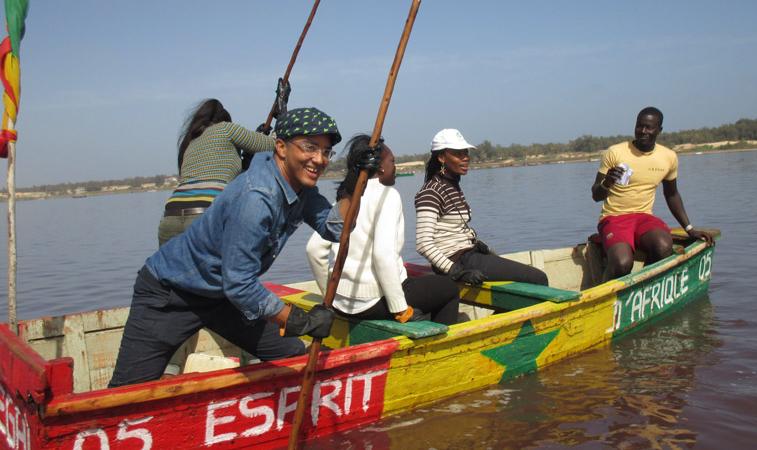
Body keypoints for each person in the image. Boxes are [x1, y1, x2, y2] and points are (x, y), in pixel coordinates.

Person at [109, 107, 380, 387]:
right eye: (310, 147)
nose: (319, 159)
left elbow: (335, 228)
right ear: (281, 148)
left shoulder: (302, 188)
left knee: (291, 356)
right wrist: (300, 321)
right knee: (125, 391)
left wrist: (353, 182)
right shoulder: (257, 197)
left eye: (326, 151)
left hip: (222, 296)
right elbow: (240, 284)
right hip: (171, 295)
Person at [307, 135, 461, 325]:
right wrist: (400, 308)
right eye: (392, 162)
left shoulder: (345, 200)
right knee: (449, 288)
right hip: (372, 302)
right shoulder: (387, 195)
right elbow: (382, 256)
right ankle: (441, 348)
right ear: (380, 167)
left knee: (415, 281)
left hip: (340, 302)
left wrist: (328, 296)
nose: (395, 167)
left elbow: (313, 249)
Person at [590, 106, 715, 279]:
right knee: (622, 263)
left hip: (644, 217)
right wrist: (607, 182)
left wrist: (689, 229)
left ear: (659, 130)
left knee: (663, 246)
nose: (643, 131)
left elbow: (672, 194)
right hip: (614, 218)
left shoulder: (668, 157)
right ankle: (603, 292)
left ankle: (644, 283)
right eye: (639, 126)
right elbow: (596, 195)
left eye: (649, 127)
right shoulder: (615, 152)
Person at [415, 129, 549, 287]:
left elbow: (452, 229)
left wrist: (474, 243)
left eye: (466, 153)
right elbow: (423, 243)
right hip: (456, 261)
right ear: (442, 157)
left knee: (526, 278)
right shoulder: (431, 191)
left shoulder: (451, 185)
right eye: (458, 154)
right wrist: (456, 272)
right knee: (538, 278)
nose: (465, 158)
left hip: (468, 255)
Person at [158, 98, 276, 247]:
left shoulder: (190, 142)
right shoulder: (226, 128)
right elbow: (272, 145)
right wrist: (275, 133)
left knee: (170, 268)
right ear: (224, 120)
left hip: (170, 217)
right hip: (206, 213)